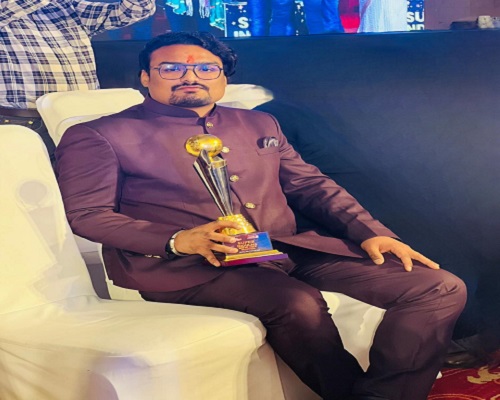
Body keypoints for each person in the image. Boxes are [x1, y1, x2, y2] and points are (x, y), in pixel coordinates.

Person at [55, 31, 467, 400]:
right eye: (171, 68)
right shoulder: (99, 134)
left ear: (222, 78)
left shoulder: (257, 122)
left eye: (206, 68)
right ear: (146, 77)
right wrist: (179, 240)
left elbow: (311, 186)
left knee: (437, 287)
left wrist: (370, 232)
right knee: (297, 304)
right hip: (188, 265)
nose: (190, 76)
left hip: (281, 248)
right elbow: (89, 215)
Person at [0, 0, 156, 160]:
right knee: (32, 176)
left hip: (82, 116)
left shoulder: (64, 7)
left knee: (92, 175)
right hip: (25, 123)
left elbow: (136, 10)